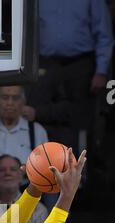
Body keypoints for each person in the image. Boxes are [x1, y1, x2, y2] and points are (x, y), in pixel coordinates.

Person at [38, 0, 114, 169]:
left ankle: (80, 173)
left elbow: (104, 35)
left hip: (80, 65)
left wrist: (101, 71)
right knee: (44, 115)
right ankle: (45, 170)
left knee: (80, 121)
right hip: (45, 64)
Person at [0, 86, 48, 180]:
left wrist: (26, 170)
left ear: (23, 102)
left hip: (28, 189)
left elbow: (45, 167)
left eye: (15, 98)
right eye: (5, 98)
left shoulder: (37, 131)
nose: (10, 103)